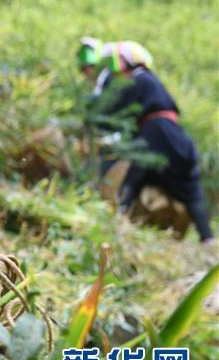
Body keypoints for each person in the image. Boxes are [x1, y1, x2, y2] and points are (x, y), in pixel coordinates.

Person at [77, 37, 214, 244]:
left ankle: (116, 223)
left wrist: (91, 110)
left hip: (157, 131)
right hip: (173, 135)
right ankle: (208, 239)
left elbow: (111, 109)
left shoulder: (139, 79)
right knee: (190, 191)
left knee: (133, 178)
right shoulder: (148, 81)